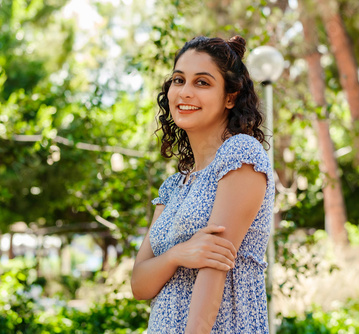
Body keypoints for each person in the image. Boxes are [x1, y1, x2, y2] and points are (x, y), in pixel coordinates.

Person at [131, 35, 275, 333]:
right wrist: (177, 255)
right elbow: (139, 284)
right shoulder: (173, 186)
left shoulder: (240, 155)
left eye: (202, 83)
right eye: (178, 80)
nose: (185, 92)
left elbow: (213, 272)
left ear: (230, 97)